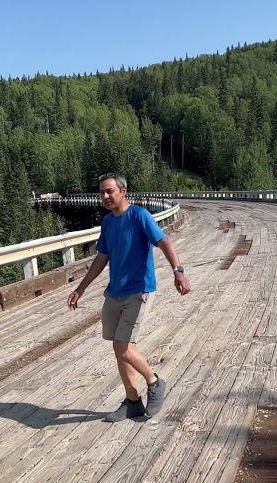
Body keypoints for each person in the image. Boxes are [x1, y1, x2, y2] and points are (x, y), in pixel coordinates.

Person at [68, 173, 191, 421]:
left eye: (109, 191)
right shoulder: (108, 223)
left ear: (123, 192)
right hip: (114, 293)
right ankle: (133, 401)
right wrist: (80, 288)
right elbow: (102, 258)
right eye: (101, 192)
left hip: (139, 290)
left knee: (122, 347)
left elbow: (164, 242)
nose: (104, 196)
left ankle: (154, 382)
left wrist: (178, 272)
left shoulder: (139, 216)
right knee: (119, 348)